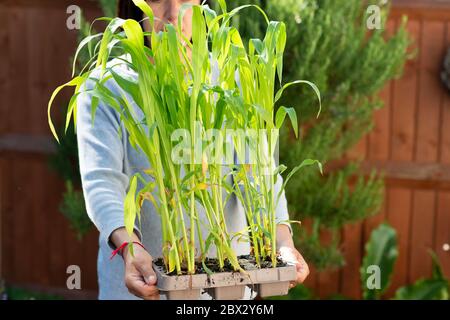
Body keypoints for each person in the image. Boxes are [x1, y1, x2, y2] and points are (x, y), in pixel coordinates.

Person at [76, 0, 309, 300]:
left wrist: (283, 243)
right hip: (141, 288)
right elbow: (102, 184)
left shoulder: (232, 78)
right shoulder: (106, 88)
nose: (173, 15)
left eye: (185, 0)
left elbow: (261, 176)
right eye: (159, 0)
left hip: (230, 290)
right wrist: (129, 249)